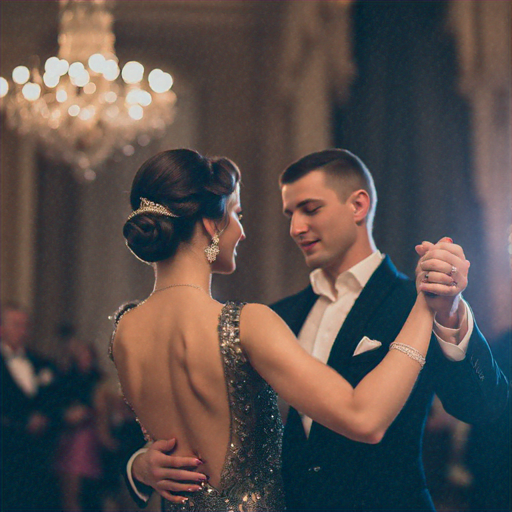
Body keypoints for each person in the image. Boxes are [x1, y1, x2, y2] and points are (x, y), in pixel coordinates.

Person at [128, 149, 509, 511]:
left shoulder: (415, 302)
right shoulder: (274, 315)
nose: (296, 228)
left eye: (310, 210)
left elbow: (485, 407)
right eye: (289, 213)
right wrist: (141, 465)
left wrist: (451, 312)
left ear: (358, 206)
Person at [0, 303, 61, 511]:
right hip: (5, 451)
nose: (22, 331)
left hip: (38, 454)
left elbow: (55, 401)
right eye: (16, 325)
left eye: (25, 325)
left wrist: (45, 417)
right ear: (1, 329)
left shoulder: (41, 363)